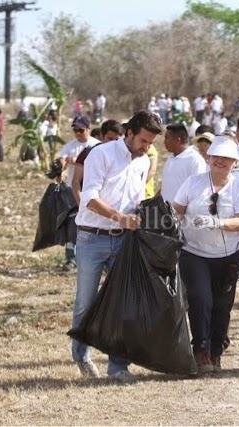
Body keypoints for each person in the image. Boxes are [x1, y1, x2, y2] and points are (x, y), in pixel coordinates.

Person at [71, 110, 162, 382]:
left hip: (124, 240)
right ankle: (81, 356)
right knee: (86, 303)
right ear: (129, 133)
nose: (146, 147)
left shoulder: (144, 161)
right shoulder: (101, 154)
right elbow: (89, 198)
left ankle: (118, 367)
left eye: (151, 143)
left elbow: (135, 200)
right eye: (143, 140)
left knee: (125, 303)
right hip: (91, 238)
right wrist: (119, 217)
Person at [173, 136, 239, 375]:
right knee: (200, 298)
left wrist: (218, 222)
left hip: (227, 256)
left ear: (234, 163)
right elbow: (176, 210)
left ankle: (217, 351)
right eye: (216, 157)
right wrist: (171, 221)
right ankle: (201, 350)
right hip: (193, 252)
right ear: (209, 158)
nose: (220, 162)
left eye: (226, 159)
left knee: (221, 305)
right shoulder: (193, 183)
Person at [58, 116, 100, 271]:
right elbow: (61, 161)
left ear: (88, 129)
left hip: (92, 191)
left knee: (93, 223)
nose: (78, 133)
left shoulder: (97, 146)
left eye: (81, 130)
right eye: (75, 130)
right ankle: (71, 258)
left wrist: (76, 160)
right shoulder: (70, 146)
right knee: (71, 224)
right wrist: (62, 163)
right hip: (72, 190)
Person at [72, 120, 124, 202]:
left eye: (116, 140)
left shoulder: (123, 157)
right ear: (101, 136)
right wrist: (81, 204)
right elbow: (76, 181)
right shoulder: (88, 153)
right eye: (110, 139)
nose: (113, 143)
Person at [160, 124, 206, 204]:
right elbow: (166, 186)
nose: (164, 142)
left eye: (167, 138)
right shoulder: (171, 158)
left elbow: (198, 193)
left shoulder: (195, 160)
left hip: (183, 215)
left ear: (177, 140)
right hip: (165, 213)